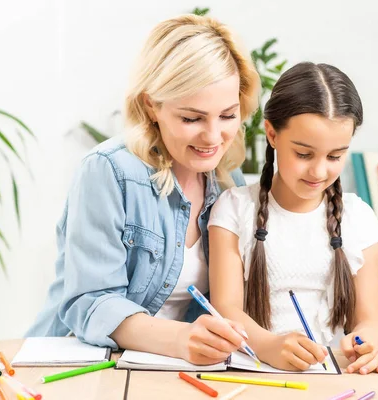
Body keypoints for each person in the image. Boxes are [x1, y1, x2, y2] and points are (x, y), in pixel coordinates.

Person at [26, 14, 261, 366]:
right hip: (82, 364)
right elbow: (90, 302)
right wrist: (183, 338)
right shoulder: (109, 170)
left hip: (175, 370)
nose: (213, 137)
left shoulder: (229, 180)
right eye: (192, 118)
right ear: (152, 105)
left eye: (227, 116)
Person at [208, 62, 378, 374]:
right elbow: (226, 308)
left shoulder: (359, 218)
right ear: (272, 133)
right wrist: (268, 345)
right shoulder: (233, 209)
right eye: (303, 154)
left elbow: (369, 320)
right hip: (252, 372)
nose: (318, 172)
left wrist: (366, 341)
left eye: (335, 156)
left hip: (330, 378)